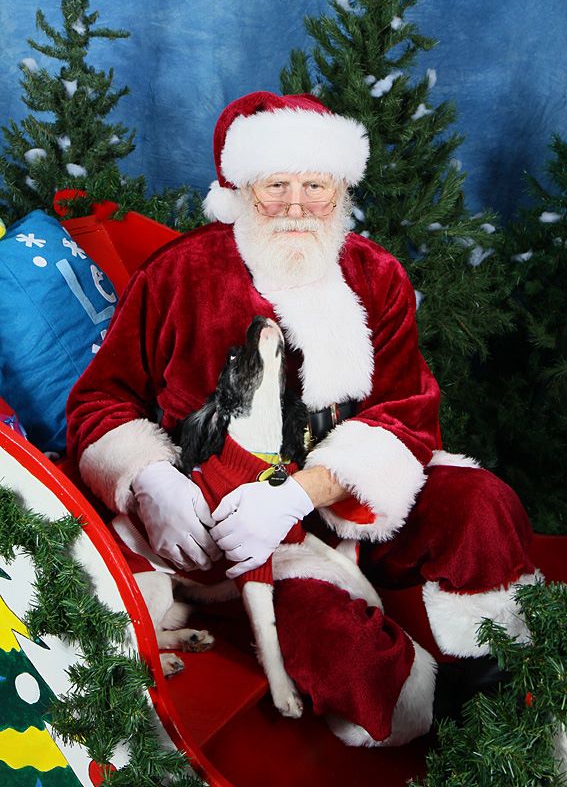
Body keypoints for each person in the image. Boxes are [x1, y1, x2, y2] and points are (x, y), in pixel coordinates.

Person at [66, 90, 536, 746]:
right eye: (274, 185)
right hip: (232, 522)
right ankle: (449, 722)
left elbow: (407, 412)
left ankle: (503, 667)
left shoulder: (376, 275)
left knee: (482, 502)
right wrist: (150, 481)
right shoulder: (178, 274)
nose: (294, 205)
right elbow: (98, 402)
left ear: (339, 187)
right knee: (328, 640)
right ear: (240, 187)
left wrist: (300, 493)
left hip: (347, 497)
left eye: (313, 185)